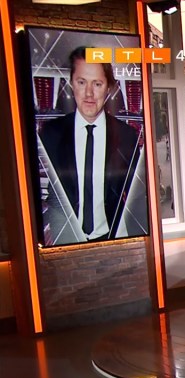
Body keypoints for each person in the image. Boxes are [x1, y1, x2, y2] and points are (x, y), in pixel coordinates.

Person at [39, 46, 143, 244]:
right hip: (65, 241)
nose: (89, 93)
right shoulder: (50, 134)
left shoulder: (127, 137)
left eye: (97, 84)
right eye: (81, 82)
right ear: (71, 83)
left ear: (108, 88)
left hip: (112, 239)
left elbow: (136, 196)